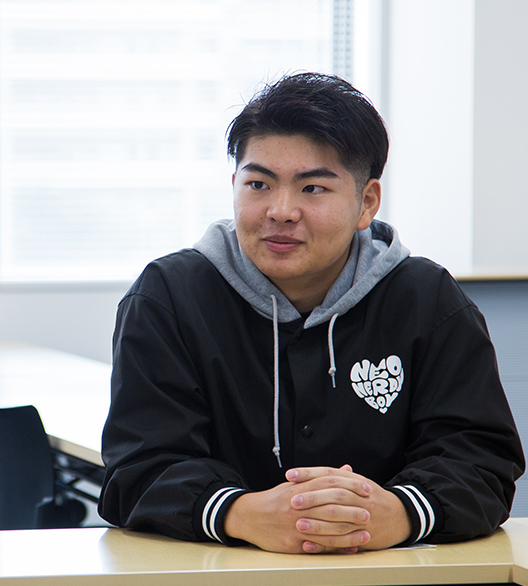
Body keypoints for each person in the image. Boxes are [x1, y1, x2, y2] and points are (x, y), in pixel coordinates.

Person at [98, 72, 524, 554]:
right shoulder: (169, 297)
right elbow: (137, 470)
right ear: (234, 186)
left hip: (388, 577)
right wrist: (242, 514)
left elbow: (481, 461)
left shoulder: (428, 299)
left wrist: (394, 514)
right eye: (258, 184)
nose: (280, 211)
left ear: (366, 203)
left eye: (313, 188)